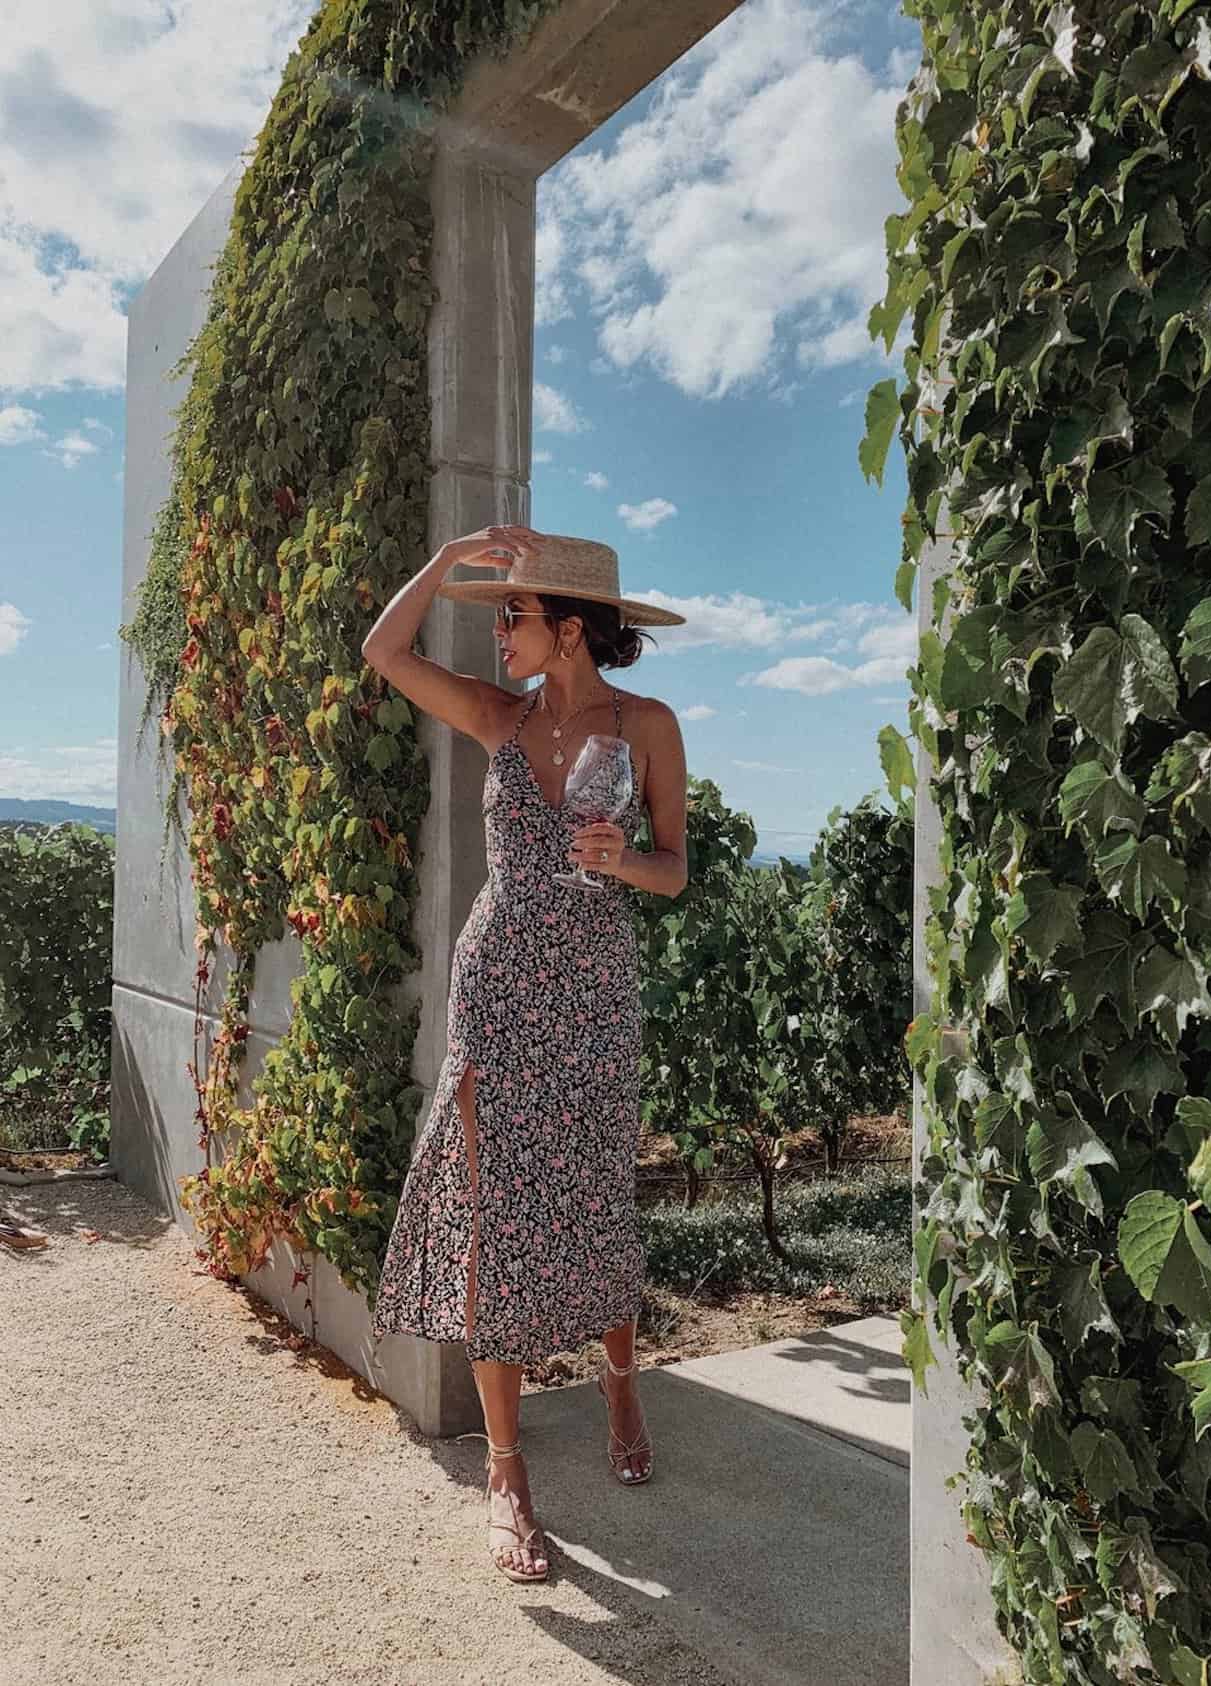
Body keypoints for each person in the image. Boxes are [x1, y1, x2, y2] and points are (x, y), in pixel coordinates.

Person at [361, 524, 689, 1583]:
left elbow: (673, 869)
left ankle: (619, 1378)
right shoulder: (496, 717)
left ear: (573, 628)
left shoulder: (646, 726)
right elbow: (385, 650)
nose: (496, 630)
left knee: (593, 1195)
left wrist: (624, 858)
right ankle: (506, 1474)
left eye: (514, 613)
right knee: (496, 1214)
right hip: (496, 985)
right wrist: (450, 551)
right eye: (497, 613)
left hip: (593, 991)